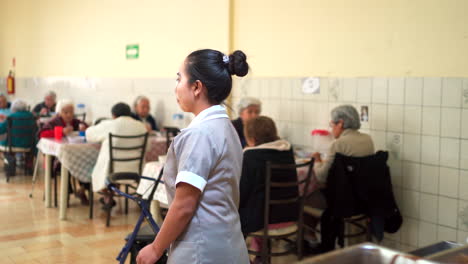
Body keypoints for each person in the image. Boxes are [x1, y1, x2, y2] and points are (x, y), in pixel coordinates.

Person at [136, 49, 250, 264]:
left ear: (196, 87)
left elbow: (184, 205)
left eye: (179, 79)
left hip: (202, 248)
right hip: (227, 240)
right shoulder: (225, 126)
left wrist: (155, 248)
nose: (176, 87)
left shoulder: (200, 134)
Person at [238, 116, 298, 263]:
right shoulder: (287, 150)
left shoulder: (250, 157)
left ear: (251, 137)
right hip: (290, 216)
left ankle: (249, 257)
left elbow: (241, 194)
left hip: (261, 222)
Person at [85, 102, 147, 207]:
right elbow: (148, 147)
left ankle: (107, 197)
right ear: (130, 113)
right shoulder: (141, 126)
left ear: (113, 115)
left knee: (98, 168)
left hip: (111, 171)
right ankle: (140, 197)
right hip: (135, 170)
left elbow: (89, 134)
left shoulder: (109, 124)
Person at [39, 99, 89, 204]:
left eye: (71, 112)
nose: (69, 115)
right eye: (66, 112)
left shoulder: (76, 122)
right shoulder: (54, 122)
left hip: (77, 155)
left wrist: (85, 129)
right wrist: (60, 131)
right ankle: (66, 194)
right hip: (58, 158)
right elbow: (42, 134)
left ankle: (82, 189)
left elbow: (89, 129)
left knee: (87, 164)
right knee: (65, 164)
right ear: (59, 113)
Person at [312, 104, 375, 183]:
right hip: (366, 190)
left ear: (340, 124)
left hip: (345, 191)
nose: (331, 129)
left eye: (332, 124)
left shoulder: (338, 144)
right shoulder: (368, 139)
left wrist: (317, 160)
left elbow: (322, 177)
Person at [0, 99, 37, 175]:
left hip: (13, 145)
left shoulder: (11, 117)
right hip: (29, 145)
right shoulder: (31, 116)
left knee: (3, 143)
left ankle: (11, 165)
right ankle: (28, 165)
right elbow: (36, 130)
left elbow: (1, 130)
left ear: (13, 108)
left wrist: (3, 121)